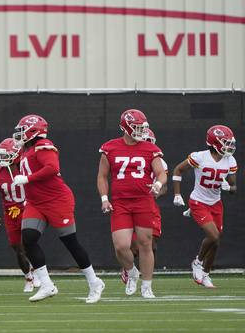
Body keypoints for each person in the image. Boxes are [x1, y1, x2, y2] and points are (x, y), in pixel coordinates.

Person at [12, 115, 105, 303]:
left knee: (70, 243)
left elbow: (52, 168)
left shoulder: (43, 145)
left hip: (57, 200)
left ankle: (95, 282)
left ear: (33, 131)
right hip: (35, 203)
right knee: (28, 239)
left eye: (23, 129)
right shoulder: (26, 150)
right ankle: (47, 285)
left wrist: (27, 179)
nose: (20, 134)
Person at [97, 109, 167, 299]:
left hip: (144, 200)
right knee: (121, 245)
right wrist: (104, 198)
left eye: (142, 127)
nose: (141, 131)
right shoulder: (110, 147)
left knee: (145, 244)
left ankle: (147, 286)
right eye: (136, 127)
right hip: (120, 202)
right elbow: (102, 176)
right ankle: (132, 271)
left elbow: (161, 173)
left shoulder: (151, 149)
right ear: (126, 127)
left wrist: (158, 184)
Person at [172, 125, 237, 288]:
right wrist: (177, 194)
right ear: (215, 143)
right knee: (213, 236)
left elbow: (234, 188)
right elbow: (178, 170)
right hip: (198, 201)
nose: (229, 146)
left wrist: (229, 188)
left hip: (215, 203)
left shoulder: (230, 160)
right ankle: (198, 262)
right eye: (226, 142)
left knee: (216, 242)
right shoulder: (200, 157)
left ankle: (206, 275)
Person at [0, 137, 41, 292]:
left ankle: (37, 272)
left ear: (16, 155)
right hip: (10, 213)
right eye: (1, 155)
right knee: (18, 249)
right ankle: (28, 278)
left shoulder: (26, 169)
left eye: (6, 155)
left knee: (28, 243)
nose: (3, 158)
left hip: (28, 209)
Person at [121, 128, 168, 284]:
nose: (146, 145)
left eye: (149, 142)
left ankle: (147, 283)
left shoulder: (158, 160)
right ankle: (129, 269)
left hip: (149, 205)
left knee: (152, 245)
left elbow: (164, 188)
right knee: (133, 248)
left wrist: (154, 192)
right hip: (129, 204)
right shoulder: (126, 157)